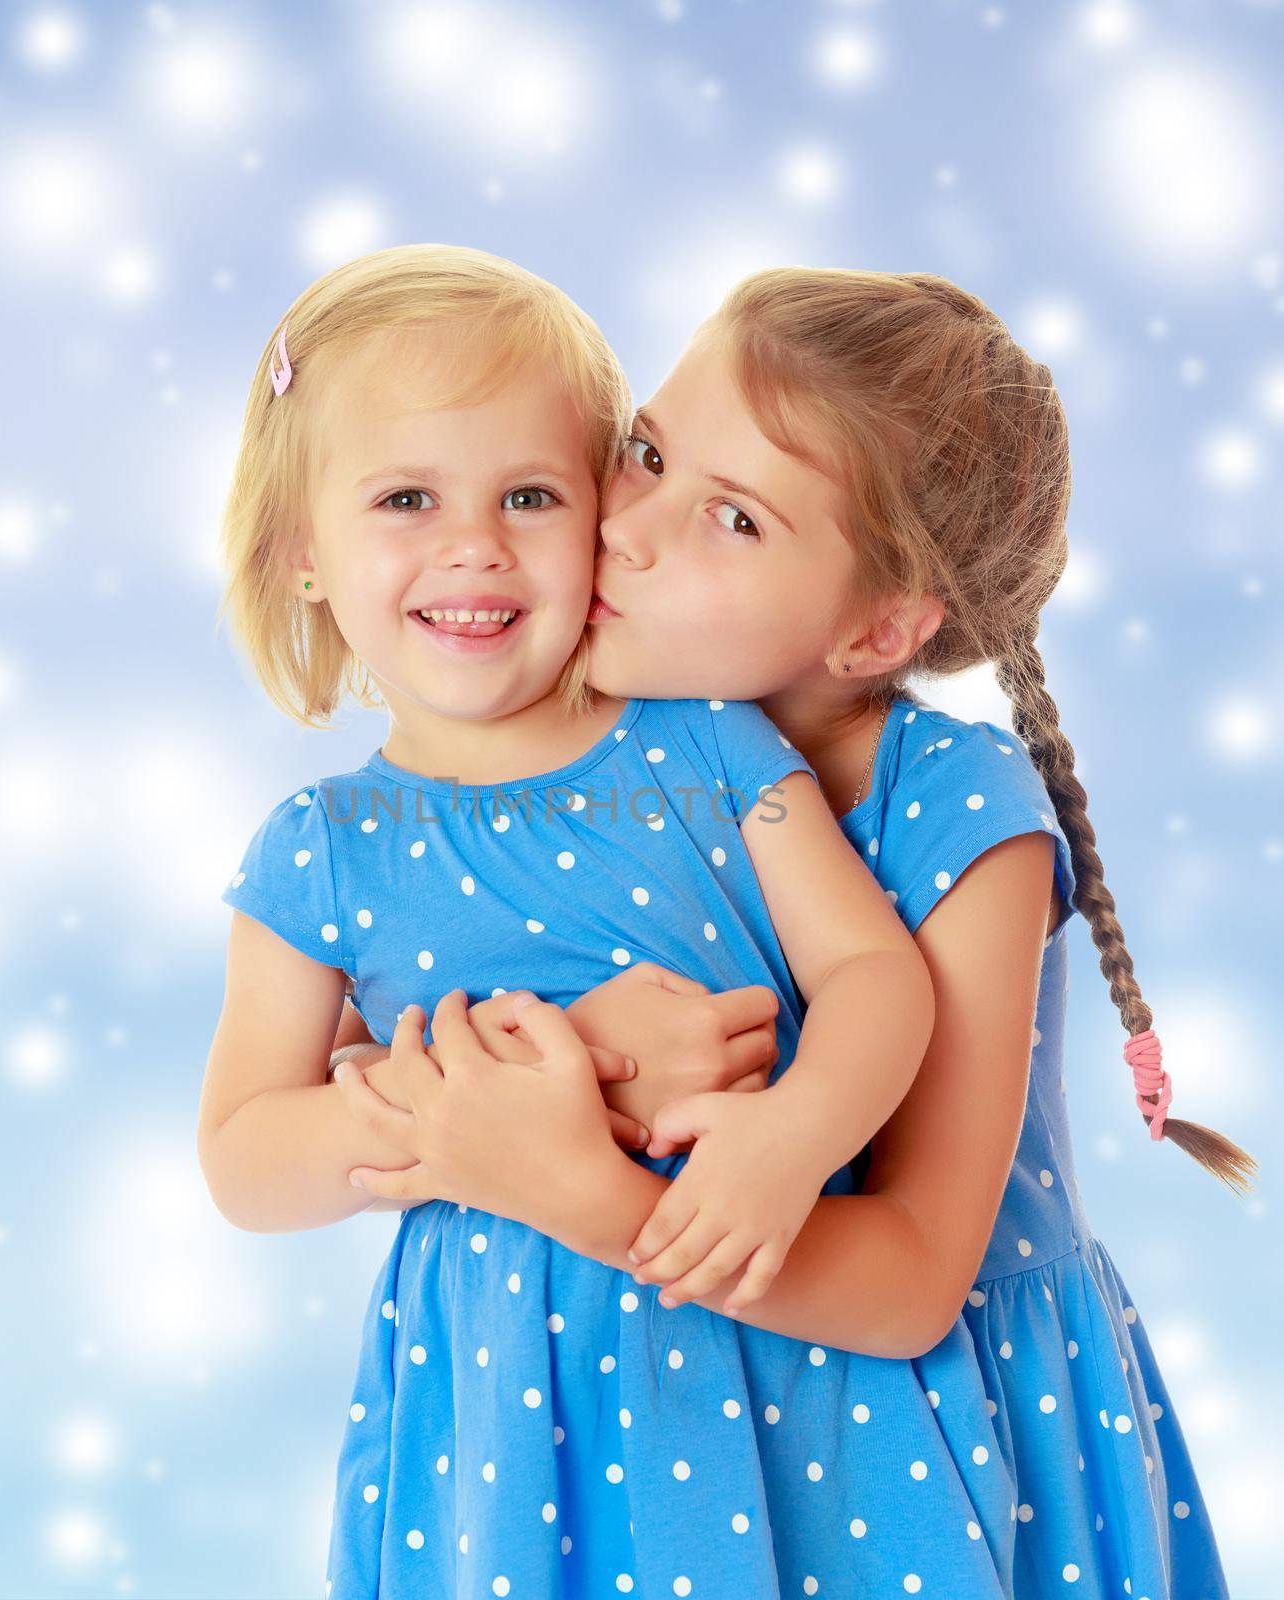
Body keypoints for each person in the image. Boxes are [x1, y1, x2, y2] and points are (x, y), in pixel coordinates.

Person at [336, 266, 1255, 1598]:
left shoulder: (957, 818)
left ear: (878, 628)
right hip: (655, 1424)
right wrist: (436, 1083)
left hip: (920, 1439)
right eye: (647, 452)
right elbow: (381, 1061)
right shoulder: (620, 742)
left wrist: (585, 1188)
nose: (631, 528)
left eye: (734, 520)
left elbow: (909, 1283)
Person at [201, 243, 941, 1597]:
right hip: (496, 1418)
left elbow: (872, 973)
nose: (472, 545)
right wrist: (486, 1109)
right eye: (406, 498)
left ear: (597, 509)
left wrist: (792, 1134)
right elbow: (246, 1158)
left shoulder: (710, 749)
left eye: (528, 495)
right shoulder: (324, 852)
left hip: (771, 1335)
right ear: (305, 555)